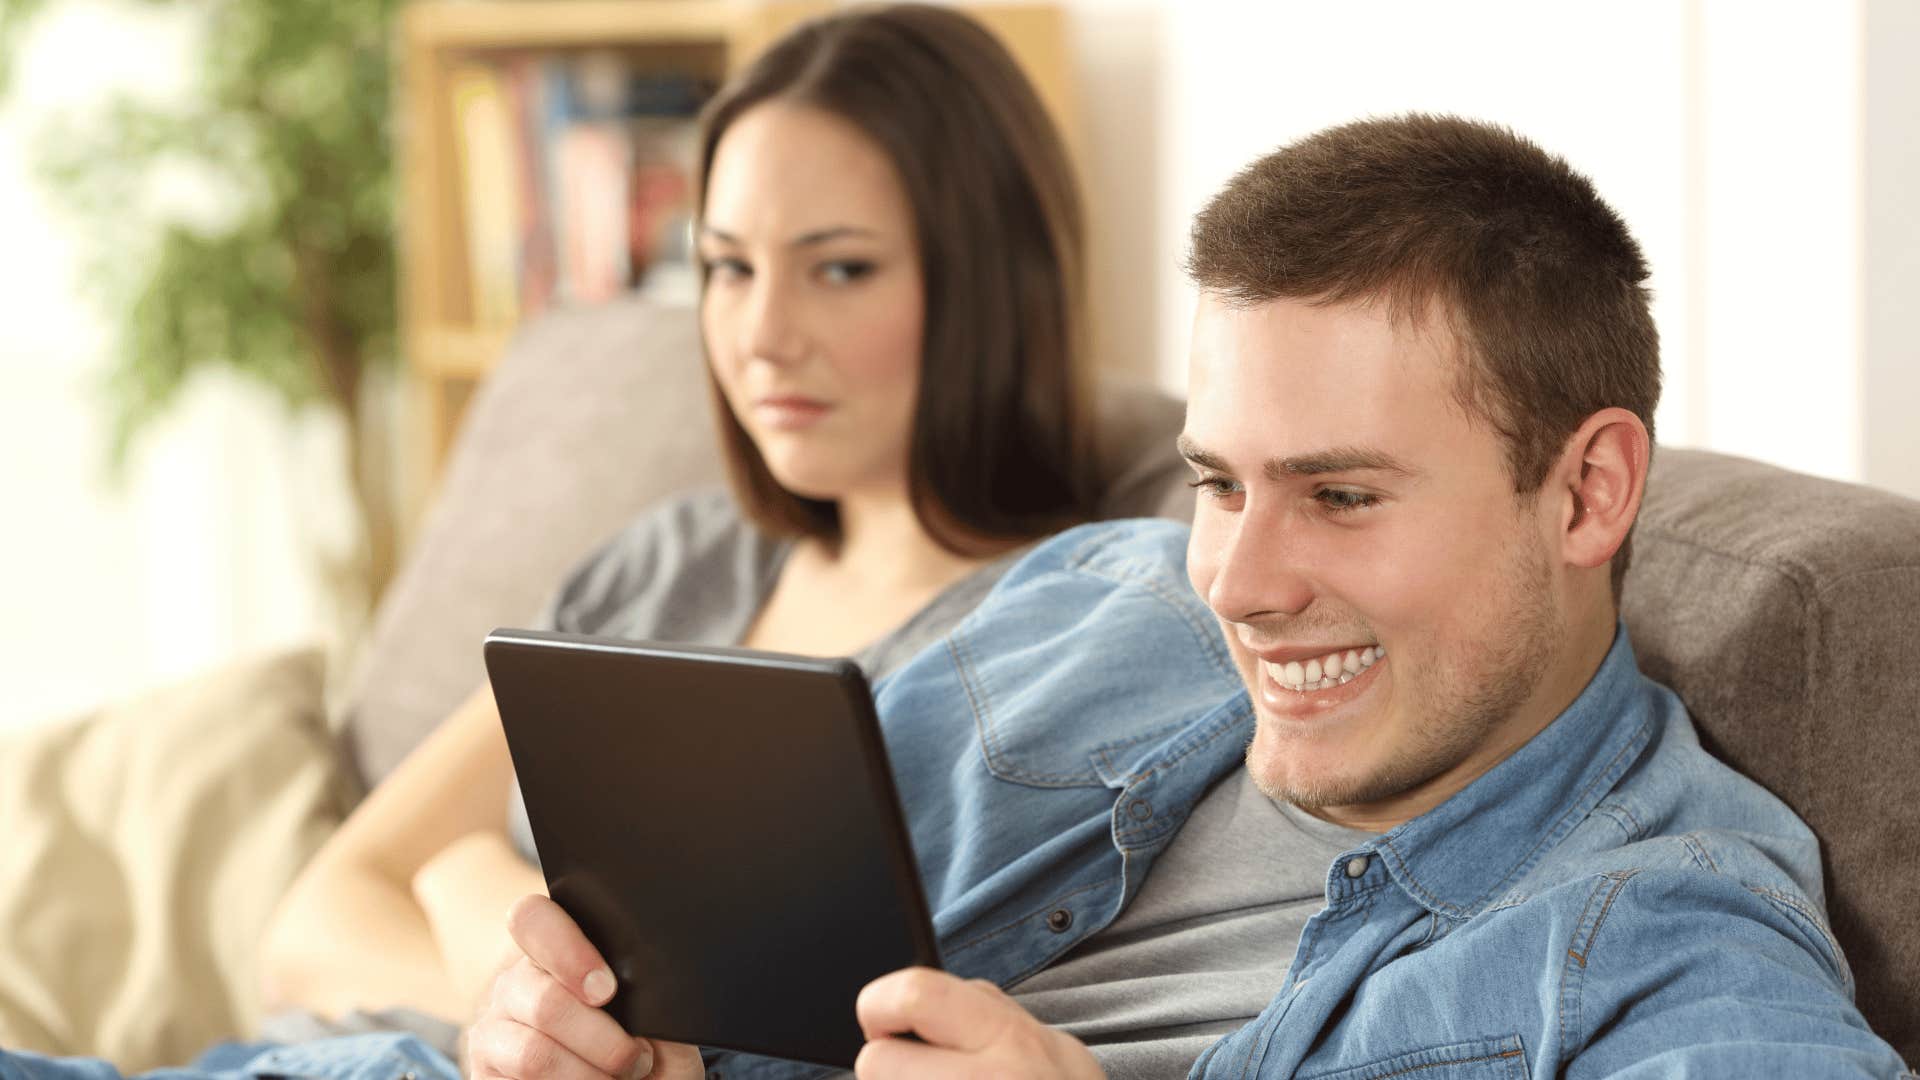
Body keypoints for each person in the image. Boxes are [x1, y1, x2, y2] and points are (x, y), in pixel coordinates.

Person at [466, 114, 1913, 1078]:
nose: (1238, 580)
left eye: (1341, 497)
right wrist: (616, 1039)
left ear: (1589, 492)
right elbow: (658, 944)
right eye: (1219, 482)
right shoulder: (1109, 591)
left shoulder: (1662, 938)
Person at [256, 1, 1098, 1042]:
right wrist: (504, 996)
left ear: (992, 284)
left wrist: (471, 887)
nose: (763, 336)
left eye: (840, 268)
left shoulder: (1070, 639)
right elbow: (315, 922)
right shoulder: (676, 562)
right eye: (730, 267)